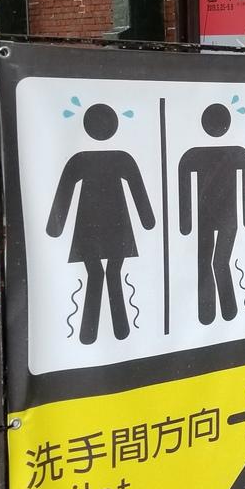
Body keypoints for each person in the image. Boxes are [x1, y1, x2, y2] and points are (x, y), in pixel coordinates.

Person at [47, 103, 156, 344]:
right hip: (116, 223)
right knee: (113, 271)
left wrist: (55, 227)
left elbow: (65, 190)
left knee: (95, 273)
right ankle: (120, 330)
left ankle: (89, 334)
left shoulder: (80, 159)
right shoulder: (121, 158)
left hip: (90, 224)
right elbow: (138, 190)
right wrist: (147, 219)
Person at [178, 103, 245, 326]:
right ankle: (222, 312)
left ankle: (213, 313)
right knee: (219, 261)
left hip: (212, 217)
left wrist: (186, 222)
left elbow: (184, 185)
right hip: (223, 217)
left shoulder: (194, 155)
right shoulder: (237, 154)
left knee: (208, 262)